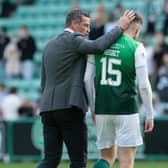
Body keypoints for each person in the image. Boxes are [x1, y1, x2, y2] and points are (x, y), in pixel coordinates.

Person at [38, 8, 135, 168]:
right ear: (74, 24)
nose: (88, 29)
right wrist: (120, 27)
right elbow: (98, 46)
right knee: (78, 161)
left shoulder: (49, 45)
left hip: (48, 109)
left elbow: (44, 81)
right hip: (69, 107)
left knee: (50, 159)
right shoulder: (73, 39)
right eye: (85, 25)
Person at [84, 12, 154, 168]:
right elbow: (143, 84)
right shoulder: (136, 47)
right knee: (126, 162)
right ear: (137, 30)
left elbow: (87, 79)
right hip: (126, 109)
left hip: (103, 109)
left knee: (106, 158)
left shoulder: (98, 44)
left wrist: (93, 108)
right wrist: (149, 114)